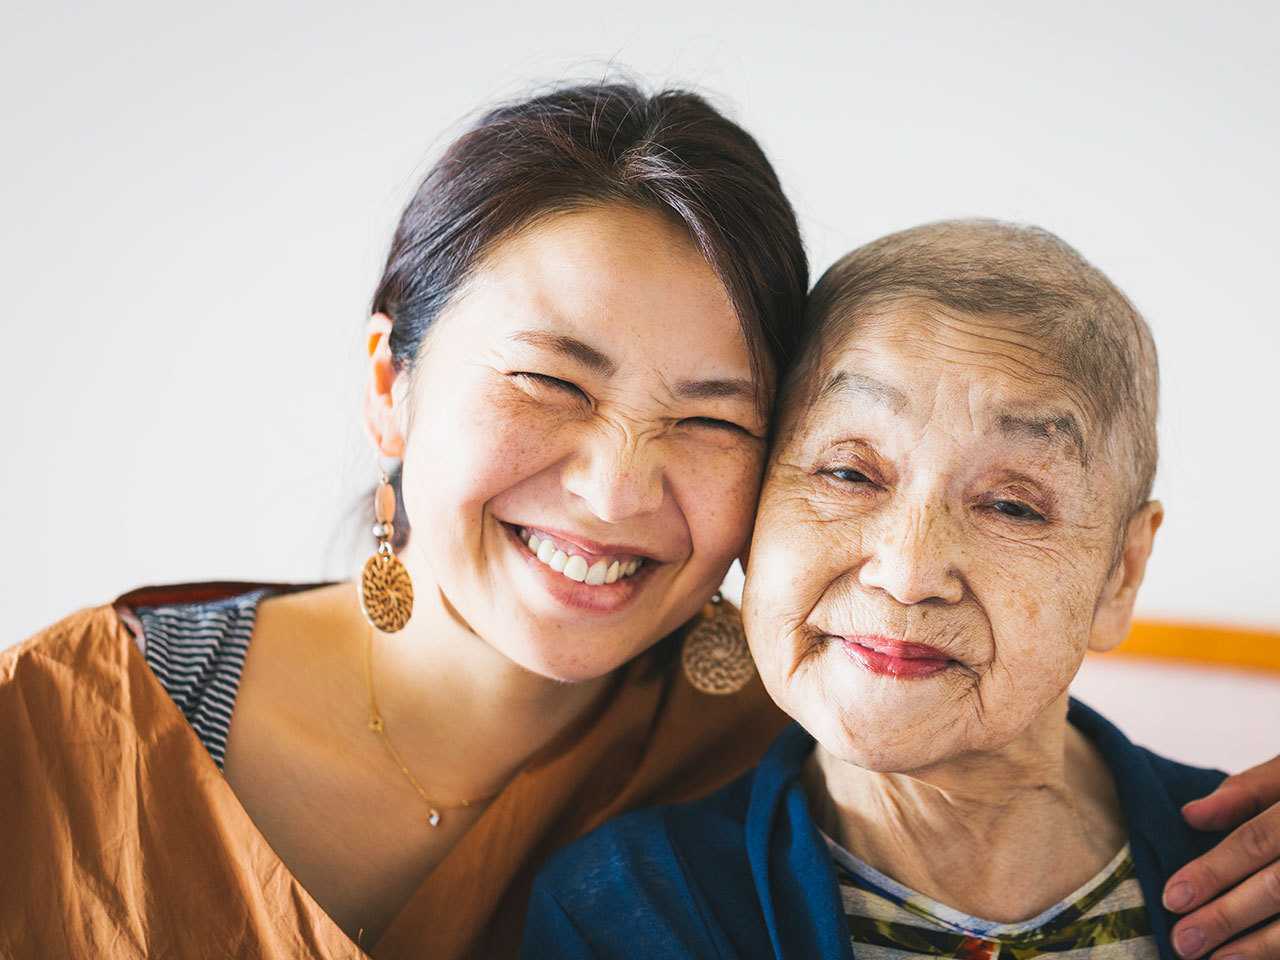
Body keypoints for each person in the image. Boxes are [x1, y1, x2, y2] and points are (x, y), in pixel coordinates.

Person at [0, 82, 806, 959]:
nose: (616, 494)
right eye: (551, 383)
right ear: (390, 387)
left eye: (712, 422)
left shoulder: (797, 765)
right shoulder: (57, 732)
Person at [521, 220, 1280, 960]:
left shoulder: (1254, 874)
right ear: (754, 517)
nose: (909, 571)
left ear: (1122, 573)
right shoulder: (633, 905)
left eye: (1012, 505)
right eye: (848, 472)